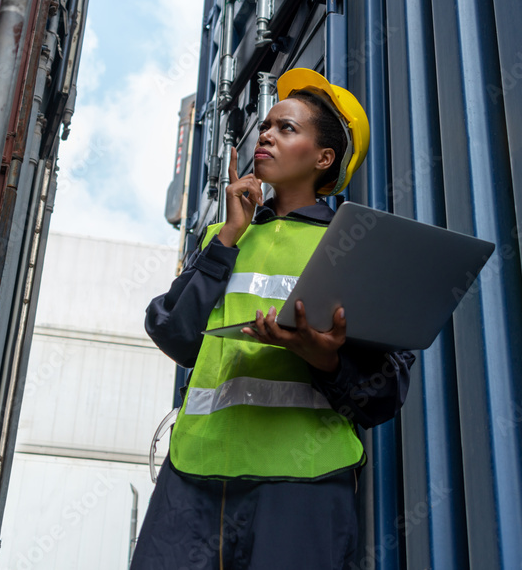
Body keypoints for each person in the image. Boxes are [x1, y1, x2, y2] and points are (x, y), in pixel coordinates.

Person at [131, 68, 416, 570]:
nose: (265, 134)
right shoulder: (224, 233)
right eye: (266, 125)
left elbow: (384, 393)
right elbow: (174, 332)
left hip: (301, 482)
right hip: (196, 476)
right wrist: (227, 240)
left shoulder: (352, 245)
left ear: (324, 158)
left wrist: (323, 359)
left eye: (287, 128)